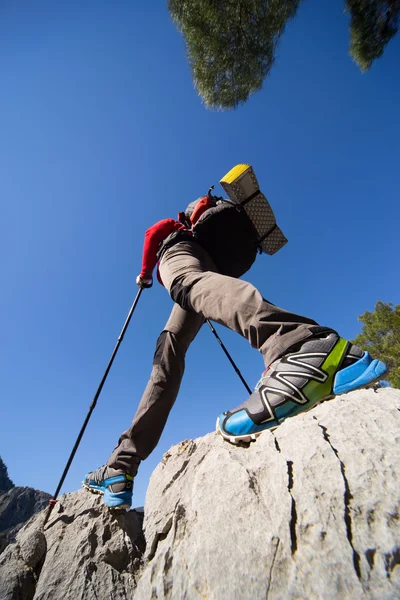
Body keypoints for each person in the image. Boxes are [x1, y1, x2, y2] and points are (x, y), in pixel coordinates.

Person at [83, 166, 387, 509]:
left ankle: (301, 345)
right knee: (169, 346)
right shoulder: (204, 240)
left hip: (183, 257)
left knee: (187, 285)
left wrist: (144, 274)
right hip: (213, 266)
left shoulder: (177, 228)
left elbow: (153, 233)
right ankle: (120, 466)